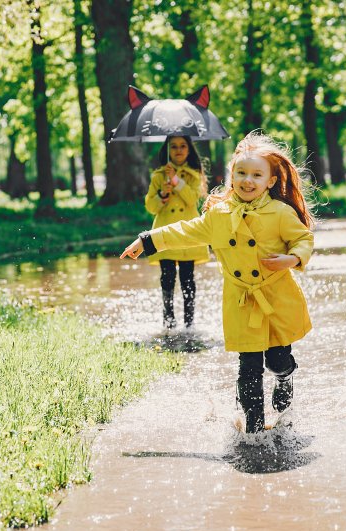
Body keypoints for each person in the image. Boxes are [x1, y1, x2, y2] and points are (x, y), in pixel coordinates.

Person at [121, 132, 316, 433]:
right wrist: (147, 240)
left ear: (271, 181)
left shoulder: (279, 212)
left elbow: (303, 238)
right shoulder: (219, 214)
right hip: (241, 300)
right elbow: (185, 230)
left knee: (278, 359)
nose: (247, 181)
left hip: (275, 298)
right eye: (241, 173)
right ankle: (253, 432)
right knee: (248, 367)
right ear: (231, 176)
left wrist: (291, 259)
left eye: (256, 175)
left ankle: (285, 377)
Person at [143, 135, 210, 329]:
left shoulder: (194, 175)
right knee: (167, 276)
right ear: (167, 150)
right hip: (163, 230)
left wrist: (176, 181)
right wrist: (162, 195)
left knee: (188, 277)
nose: (178, 150)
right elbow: (150, 206)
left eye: (183, 146)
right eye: (174, 147)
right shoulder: (158, 176)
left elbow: (191, 200)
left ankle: (189, 322)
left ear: (189, 150)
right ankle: (168, 320)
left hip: (187, 232)